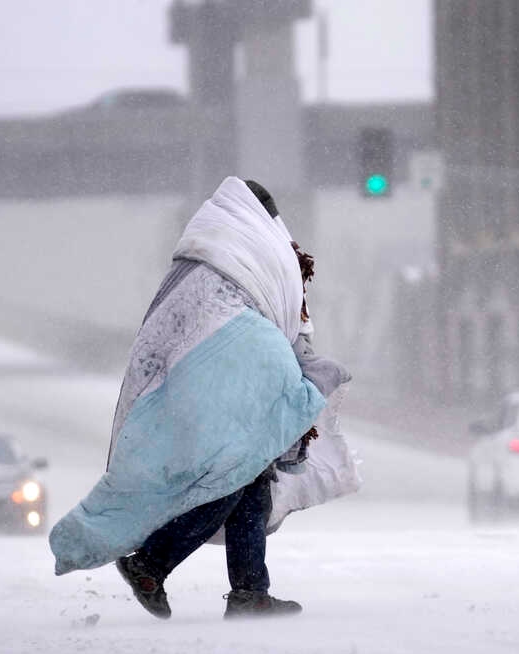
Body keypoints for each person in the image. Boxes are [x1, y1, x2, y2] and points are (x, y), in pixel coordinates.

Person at [48, 177, 359, 619]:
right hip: (220, 383)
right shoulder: (252, 254)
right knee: (232, 476)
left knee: (250, 480)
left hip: (193, 382)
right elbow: (275, 319)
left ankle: (250, 591)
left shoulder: (205, 257)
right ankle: (151, 562)